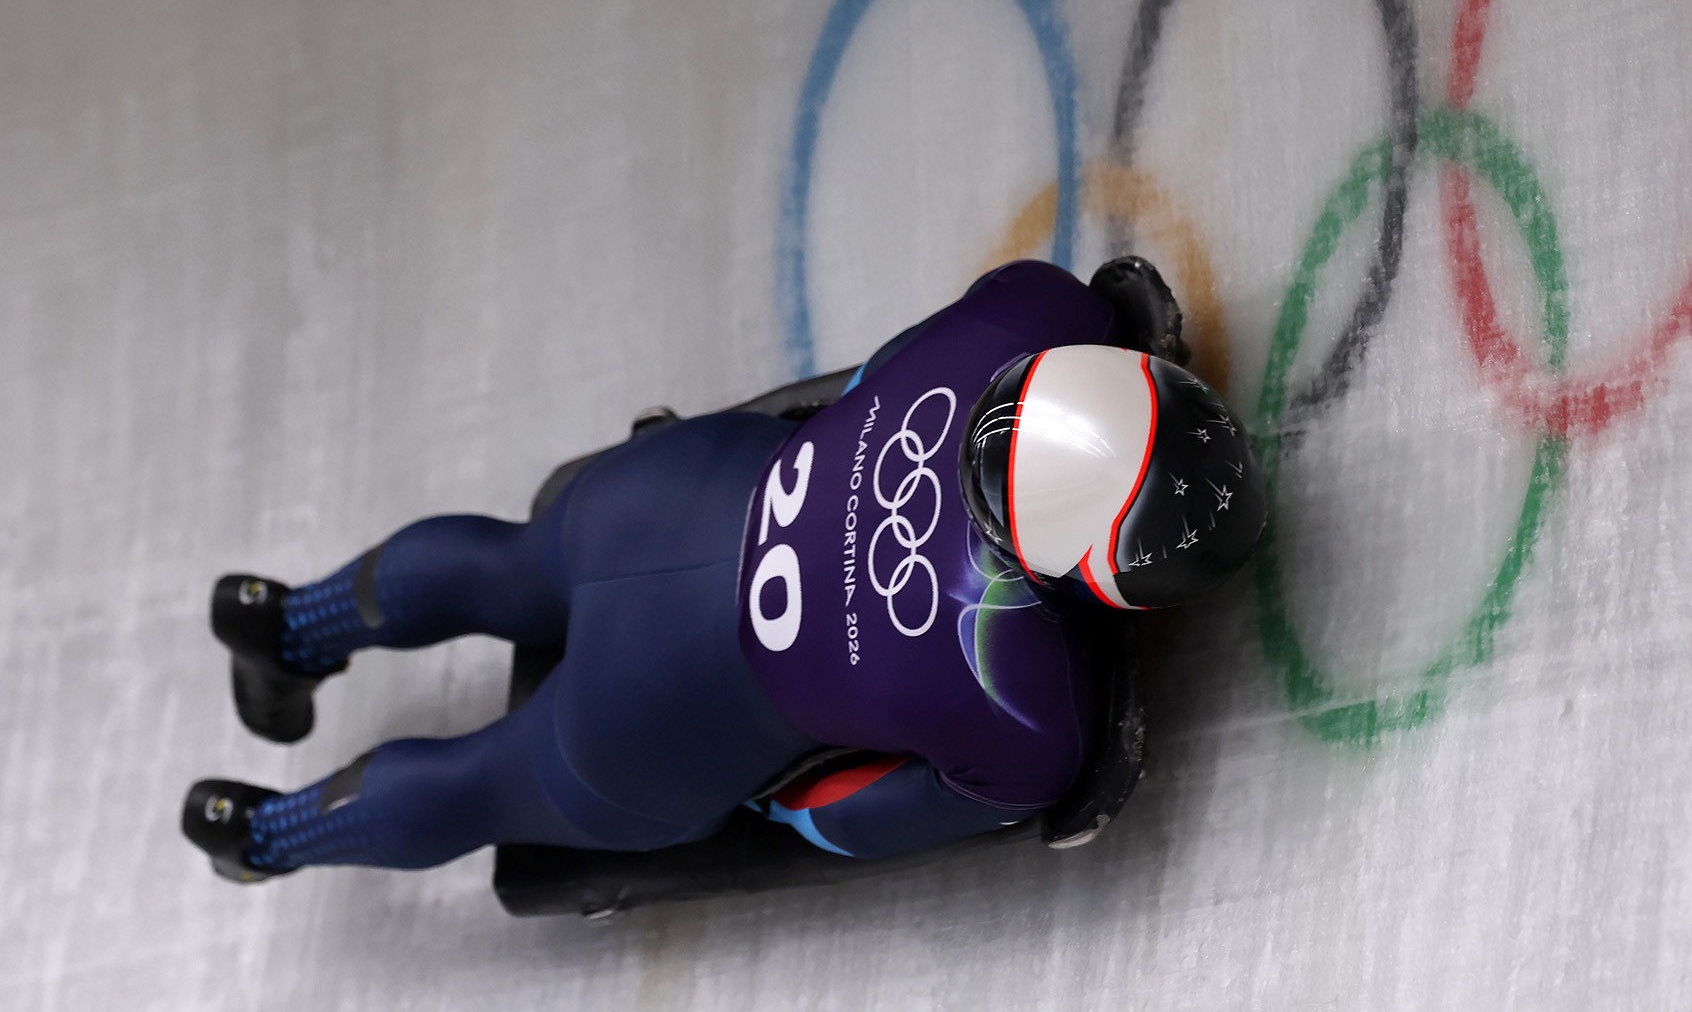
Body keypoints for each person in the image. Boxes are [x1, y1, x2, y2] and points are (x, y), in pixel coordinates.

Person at [180, 257, 1265, 882]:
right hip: (650, 719)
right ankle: (262, 838)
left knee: (513, 559)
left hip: (660, 498)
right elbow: (845, 819)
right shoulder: (1017, 709)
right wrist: (777, 799)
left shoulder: (1036, 310)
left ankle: (287, 622)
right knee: (484, 784)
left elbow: (879, 374)